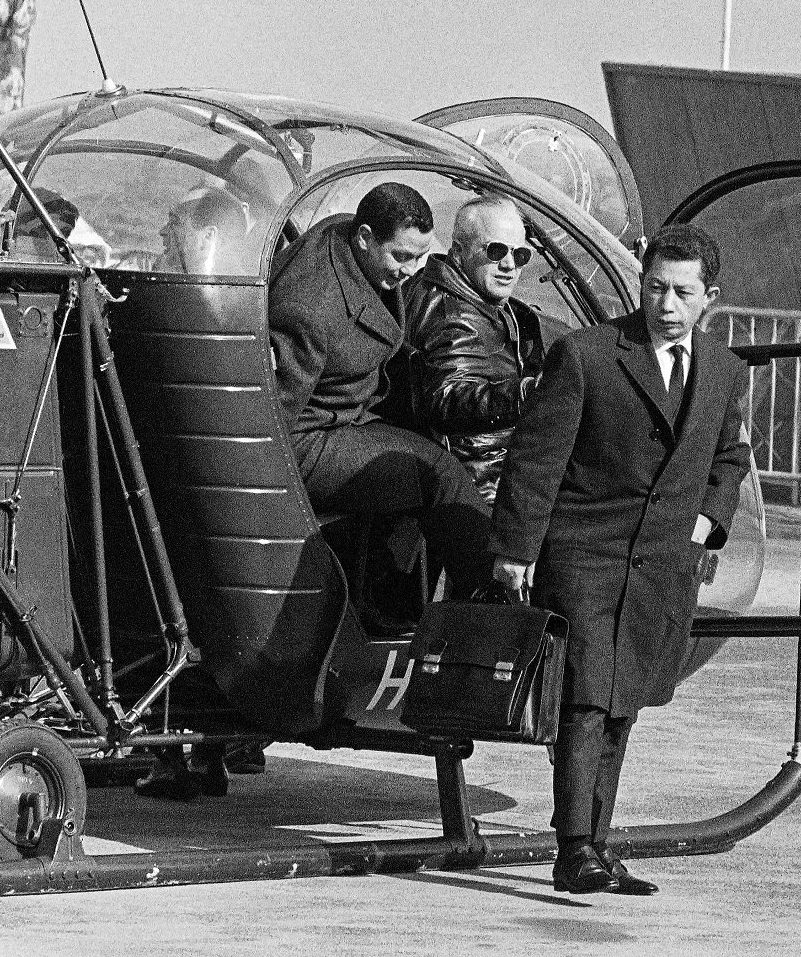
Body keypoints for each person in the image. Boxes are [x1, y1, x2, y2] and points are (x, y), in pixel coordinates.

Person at [489, 223, 752, 896]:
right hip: (585, 553)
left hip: (664, 562)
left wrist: (704, 525)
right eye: (655, 286)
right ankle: (573, 847)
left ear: (708, 298)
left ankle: (597, 845)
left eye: (681, 291)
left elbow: (729, 457)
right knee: (584, 697)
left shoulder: (724, 371)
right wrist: (516, 550)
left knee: (622, 701)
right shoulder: (588, 355)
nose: (665, 302)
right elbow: (536, 457)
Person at [269, 181, 494, 601]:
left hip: (348, 415)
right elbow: (274, 421)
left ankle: (391, 594)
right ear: (367, 238)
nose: (411, 270)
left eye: (421, 256)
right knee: (440, 475)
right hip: (307, 438)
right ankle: (492, 598)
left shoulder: (344, 236)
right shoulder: (311, 308)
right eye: (402, 256)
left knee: (426, 445)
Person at [400, 194, 548, 502]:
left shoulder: (461, 293)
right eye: (495, 251)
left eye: (520, 255)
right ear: (458, 251)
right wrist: (523, 393)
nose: (509, 265)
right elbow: (448, 397)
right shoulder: (454, 316)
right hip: (482, 486)